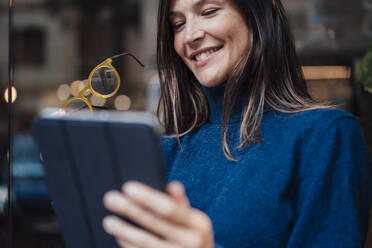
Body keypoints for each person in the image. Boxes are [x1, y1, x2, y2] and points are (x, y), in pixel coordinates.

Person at [101, 0, 372, 247]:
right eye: (178, 24)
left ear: (259, 13)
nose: (190, 35)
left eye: (208, 12)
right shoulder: (164, 149)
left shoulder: (325, 136)